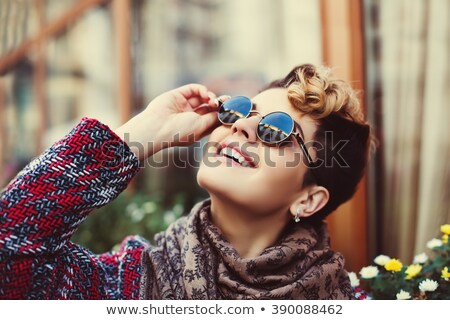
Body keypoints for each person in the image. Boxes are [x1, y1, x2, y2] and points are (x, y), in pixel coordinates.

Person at [0, 64, 370, 299]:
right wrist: (142, 133)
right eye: (240, 110)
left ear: (308, 199)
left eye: (276, 130)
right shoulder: (124, 286)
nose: (241, 125)